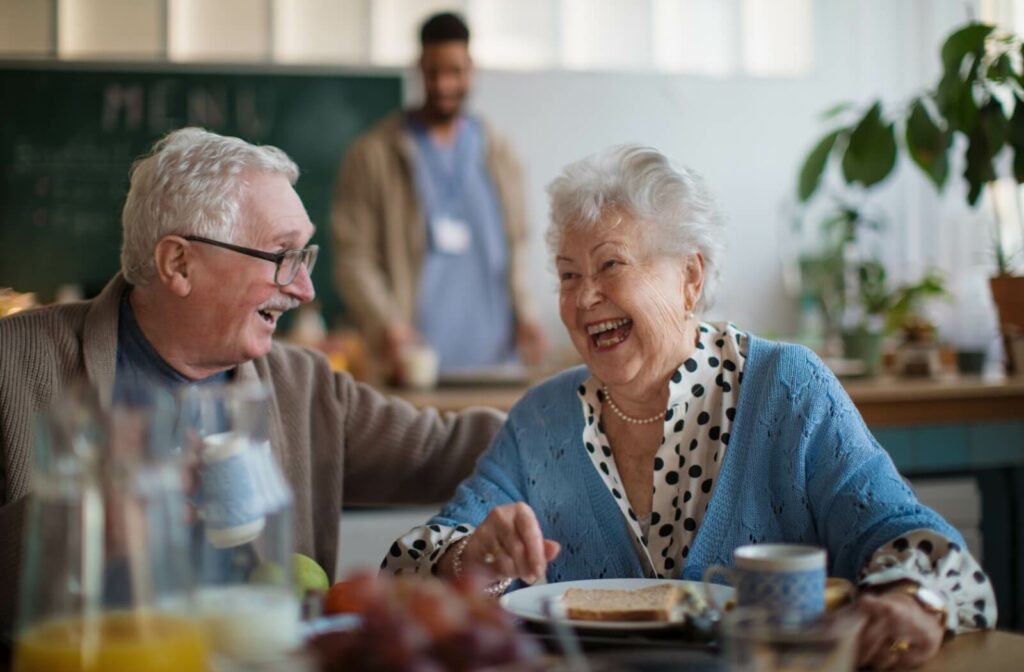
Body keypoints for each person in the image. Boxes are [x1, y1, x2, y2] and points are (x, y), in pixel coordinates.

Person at [383, 146, 997, 669]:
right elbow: (415, 564)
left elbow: (903, 532)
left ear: (690, 278)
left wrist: (914, 599)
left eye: (610, 265)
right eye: (568, 275)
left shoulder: (789, 389)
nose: (584, 296)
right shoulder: (541, 418)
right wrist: (472, 557)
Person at [0, 128, 503, 650]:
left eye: (305, 257)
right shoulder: (14, 363)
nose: (305, 290)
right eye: (283, 256)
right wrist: (76, 522)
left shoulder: (304, 386)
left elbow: (451, 449)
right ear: (179, 263)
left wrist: (587, 402)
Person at [331, 11, 546, 377]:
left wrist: (526, 314)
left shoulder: (500, 154)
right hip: (412, 368)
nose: (445, 85)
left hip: (497, 365)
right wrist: (386, 324)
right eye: (433, 73)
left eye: (455, 72)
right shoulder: (374, 156)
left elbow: (518, 244)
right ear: (419, 68)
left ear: (472, 68)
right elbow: (353, 257)